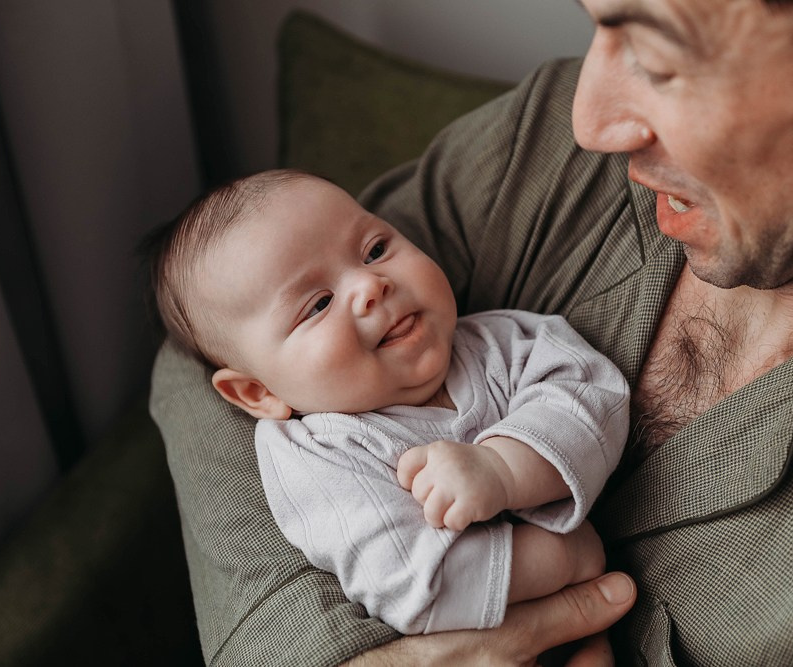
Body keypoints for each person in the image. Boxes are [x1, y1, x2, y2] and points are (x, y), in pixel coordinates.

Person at [149, 0, 793, 664]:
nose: (590, 120)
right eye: (600, 23)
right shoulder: (546, 152)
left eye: (660, 59)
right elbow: (198, 356)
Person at [148, 169, 629, 635]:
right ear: (259, 392)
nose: (369, 285)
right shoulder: (322, 455)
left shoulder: (497, 341)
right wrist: (563, 556)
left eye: (375, 250)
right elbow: (413, 585)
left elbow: (593, 394)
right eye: (317, 304)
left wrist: (503, 469)